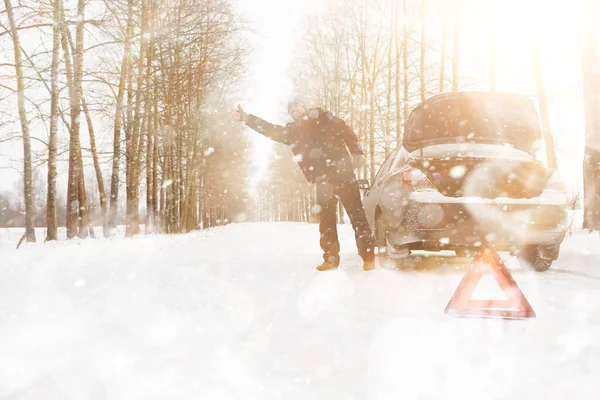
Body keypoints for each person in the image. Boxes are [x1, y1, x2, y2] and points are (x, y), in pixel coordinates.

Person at [234, 98, 375, 271]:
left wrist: (357, 152)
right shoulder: (293, 131)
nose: (295, 111)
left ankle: (369, 258)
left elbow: (346, 131)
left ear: (305, 106)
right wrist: (247, 118)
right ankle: (330, 259)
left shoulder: (325, 117)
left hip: (343, 173)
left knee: (357, 215)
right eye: (291, 110)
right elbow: (271, 129)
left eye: (296, 107)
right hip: (323, 180)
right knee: (326, 221)